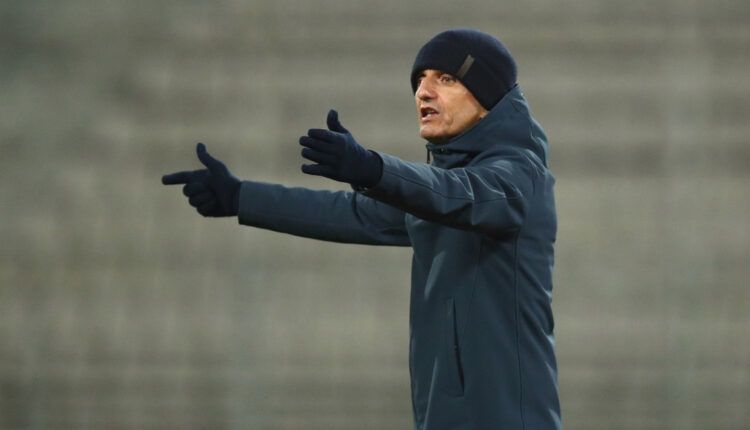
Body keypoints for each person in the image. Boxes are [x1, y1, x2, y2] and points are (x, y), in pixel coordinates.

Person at [162, 28, 561, 430]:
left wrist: (373, 168)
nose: (423, 92)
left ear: (488, 99)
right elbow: (351, 211)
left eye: (445, 79)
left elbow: (462, 194)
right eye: (419, 80)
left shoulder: (519, 176)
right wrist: (241, 197)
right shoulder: (438, 193)